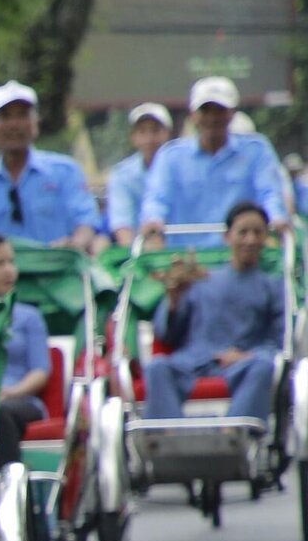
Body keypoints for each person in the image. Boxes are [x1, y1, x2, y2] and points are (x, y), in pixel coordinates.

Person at [143, 202, 285, 425]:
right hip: (193, 360)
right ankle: (169, 438)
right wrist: (173, 300)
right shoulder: (200, 280)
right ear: (228, 237)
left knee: (264, 367)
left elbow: (280, 339)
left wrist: (248, 356)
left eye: (257, 233)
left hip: (244, 364)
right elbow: (167, 335)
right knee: (157, 367)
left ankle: (235, 434)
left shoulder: (273, 287)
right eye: (243, 232)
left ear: (265, 238)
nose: (250, 240)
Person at [140, 78, 291, 244]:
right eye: (205, 111)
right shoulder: (171, 156)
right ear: (193, 115)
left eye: (220, 110)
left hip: (245, 255)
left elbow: (269, 192)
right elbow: (157, 197)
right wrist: (153, 219)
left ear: (232, 113)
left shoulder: (256, 150)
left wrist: (276, 217)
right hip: (187, 258)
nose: (212, 118)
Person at [0, 81, 102, 251]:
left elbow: (86, 221)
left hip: (56, 268)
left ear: (36, 122)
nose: (14, 124)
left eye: (22, 115)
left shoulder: (65, 172)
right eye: (5, 117)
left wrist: (75, 245)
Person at [0, 232, 52, 470]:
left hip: (20, 400)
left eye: (11, 263)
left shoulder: (28, 317)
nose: (9, 271)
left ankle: (6, 487)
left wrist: (10, 392)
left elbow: (40, 370)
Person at [105, 103, 173, 248]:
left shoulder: (179, 168)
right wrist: (136, 258)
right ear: (133, 137)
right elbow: (122, 223)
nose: (149, 139)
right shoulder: (122, 175)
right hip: (139, 251)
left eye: (155, 131)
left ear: (167, 134)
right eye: (142, 132)